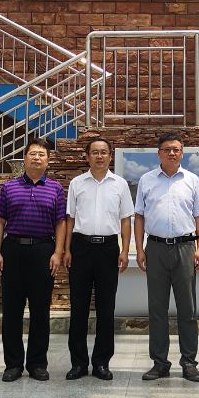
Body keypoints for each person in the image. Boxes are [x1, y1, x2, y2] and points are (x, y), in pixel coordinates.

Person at [134, 132, 199, 383]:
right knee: (157, 309)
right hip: (155, 248)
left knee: (188, 308)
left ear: (182, 153)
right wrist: (140, 249)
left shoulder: (192, 180)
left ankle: (189, 362)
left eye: (176, 149)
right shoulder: (146, 180)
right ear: (159, 153)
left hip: (185, 247)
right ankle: (159, 363)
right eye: (167, 149)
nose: (172, 153)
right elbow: (139, 216)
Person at [0, 137, 66, 382]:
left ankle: (37, 364)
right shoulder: (9, 187)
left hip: (43, 251)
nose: (37, 158)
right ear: (24, 158)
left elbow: (61, 223)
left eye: (41, 154)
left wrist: (58, 253)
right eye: (32, 153)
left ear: (48, 161)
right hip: (12, 250)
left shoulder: (55, 189)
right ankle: (13, 364)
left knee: (40, 311)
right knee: (12, 311)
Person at [63, 137, 134, 381]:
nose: (100, 156)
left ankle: (102, 362)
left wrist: (124, 250)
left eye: (104, 152)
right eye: (95, 152)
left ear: (110, 156)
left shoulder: (120, 184)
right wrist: (67, 249)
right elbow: (70, 219)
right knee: (78, 308)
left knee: (106, 308)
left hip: (108, 249)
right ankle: (78, 363)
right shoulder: (76, 183)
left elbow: (126, 220)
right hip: (80, 248)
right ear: (87, 156)